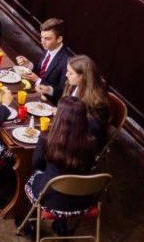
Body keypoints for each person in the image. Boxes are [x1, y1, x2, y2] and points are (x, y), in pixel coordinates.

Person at [24, 97, 100, 235]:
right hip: (81, 201)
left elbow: (37, 164)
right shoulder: (92, 142)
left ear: (60, 117)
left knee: (35, 176)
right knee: (66, 180)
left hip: (51, 201)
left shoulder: (47, 138)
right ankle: (61, 225)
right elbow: (90, 166)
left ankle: (31, 224)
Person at [16, 18, 72, 103]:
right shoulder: (48, 48)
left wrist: (37, 80)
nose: (42, 42)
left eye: (47, 38)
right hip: (34, 91)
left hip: (48, 101)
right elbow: (42, 70)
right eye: (41, 37)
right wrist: (29, 65)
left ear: (59, 39)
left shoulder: (67, 61)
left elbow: (61, 92)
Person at [63, 55, 111, 150]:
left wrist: (67, 116)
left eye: (70, 73)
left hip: (84, 144)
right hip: (69, 131)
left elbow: (93, 130)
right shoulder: (73, 84)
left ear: (83, 77)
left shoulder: (97, 101)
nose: (66, 75)